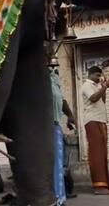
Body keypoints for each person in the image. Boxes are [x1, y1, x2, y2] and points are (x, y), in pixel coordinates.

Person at [81, 65, 109, 194]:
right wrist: (104, 86)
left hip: (100, 120)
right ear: (90, 74)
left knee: (102, 153)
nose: (99, 78)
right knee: (96, 153)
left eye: (100, 75)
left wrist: (104, 88)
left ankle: (104, 184)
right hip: (92, 120)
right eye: (97, 75)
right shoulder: (86, 85)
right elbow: (93, 98)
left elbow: (102, 101)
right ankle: (99, 186)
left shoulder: (97, 86)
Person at [50, 66, 67, 205]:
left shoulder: (54, 78)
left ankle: (59, 198)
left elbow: (62, 100)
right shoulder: (37, 77)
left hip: (55, 125)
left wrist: (71, 116)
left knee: (57, 164)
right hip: (41, 127)